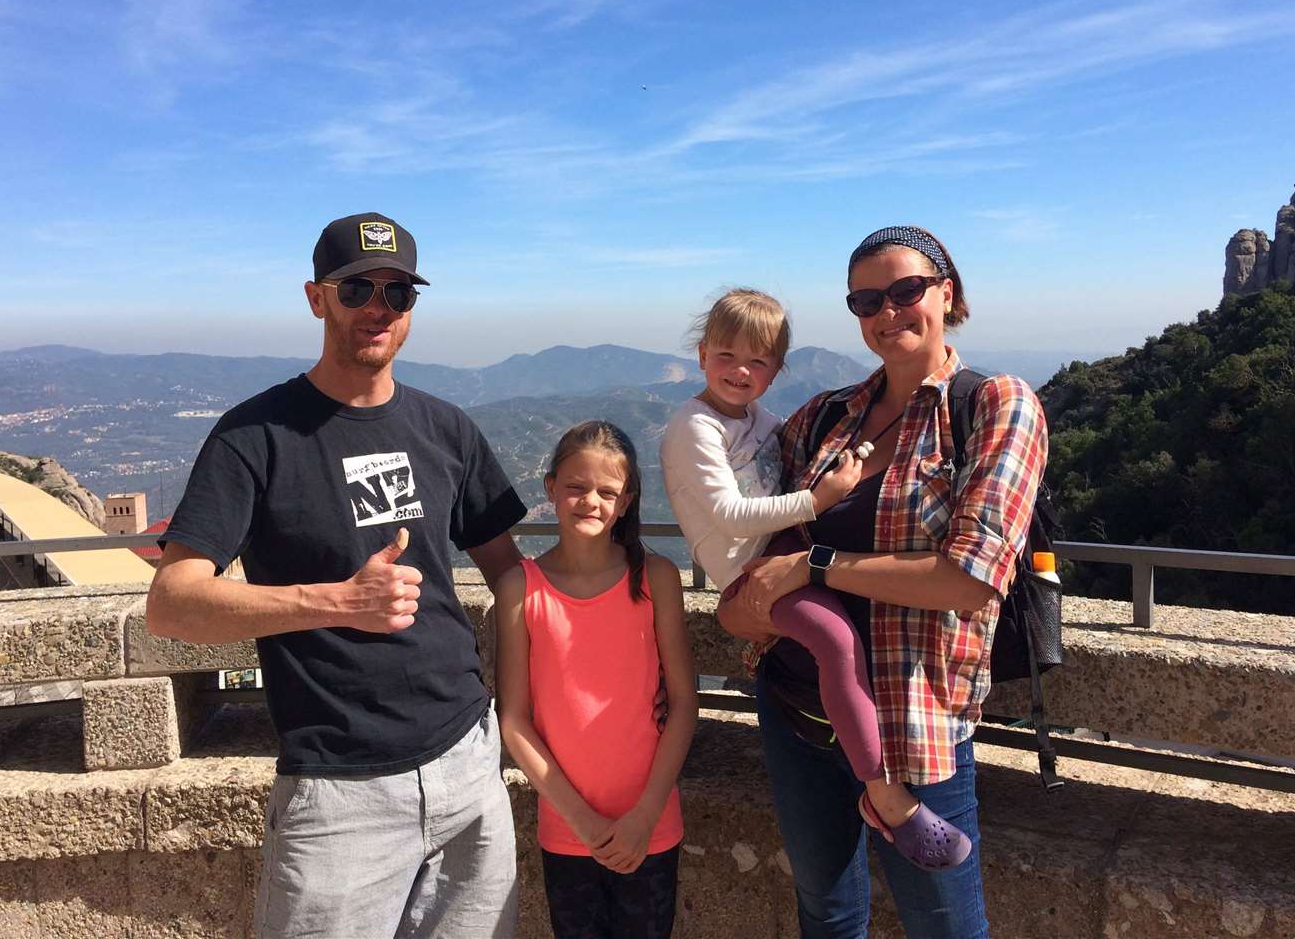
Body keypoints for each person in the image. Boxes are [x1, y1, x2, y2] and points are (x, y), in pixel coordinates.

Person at [146, 212, 528, 939]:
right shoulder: (253, 437)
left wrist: (512, 710)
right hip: (338, 791)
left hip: (469, 767)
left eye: (399, 293)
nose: (379, 308)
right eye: (358, 289)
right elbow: (171, 603)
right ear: (317, 297)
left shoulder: (447, 430)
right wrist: (340, 601)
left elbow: (509, 572)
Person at [717, 226, 1048, 939]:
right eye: (867, 299)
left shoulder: (994, 406)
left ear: (947, 293)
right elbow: (745, 538)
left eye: (906, 290)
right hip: (796, 710)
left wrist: (812, 569)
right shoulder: (824, 418)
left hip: (917, 723)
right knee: (827, 915)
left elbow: (970, 580)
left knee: (947, 927)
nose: (887, 311)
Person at [660, 289, 972, 871]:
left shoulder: (757, 419)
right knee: (833, 640)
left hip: (783, 553)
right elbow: (728, 514)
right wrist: (819, 499)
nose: (740, 371)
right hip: (749, 574)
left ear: (776, 371)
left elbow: (813, 447)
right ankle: (884, 796)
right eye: (726, 356)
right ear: (701, 355)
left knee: (847, 628)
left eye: (757, 361)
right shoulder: (694, 426)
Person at [495, 420, 698, 939]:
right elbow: (514, 719)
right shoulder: (521, 588)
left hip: (651, 825)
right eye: (576, 487)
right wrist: (582, 822)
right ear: (550, 489)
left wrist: (644, 815)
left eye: (607, 492)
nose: (590, 501)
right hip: (567, 830)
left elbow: (683, 702)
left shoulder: (657, 579)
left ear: (626, 502)